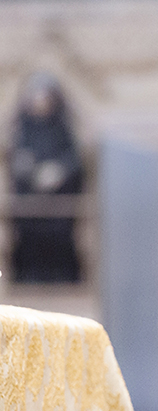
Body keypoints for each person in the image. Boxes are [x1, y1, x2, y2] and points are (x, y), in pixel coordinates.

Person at [8, 72, 85, 283]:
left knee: (59, 243)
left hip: (59, 207)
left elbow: (74, 159)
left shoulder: (62, 127)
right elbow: (16, 159)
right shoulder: (23, 127)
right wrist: (27, 168)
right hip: (30, 206)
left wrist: (59, 170)